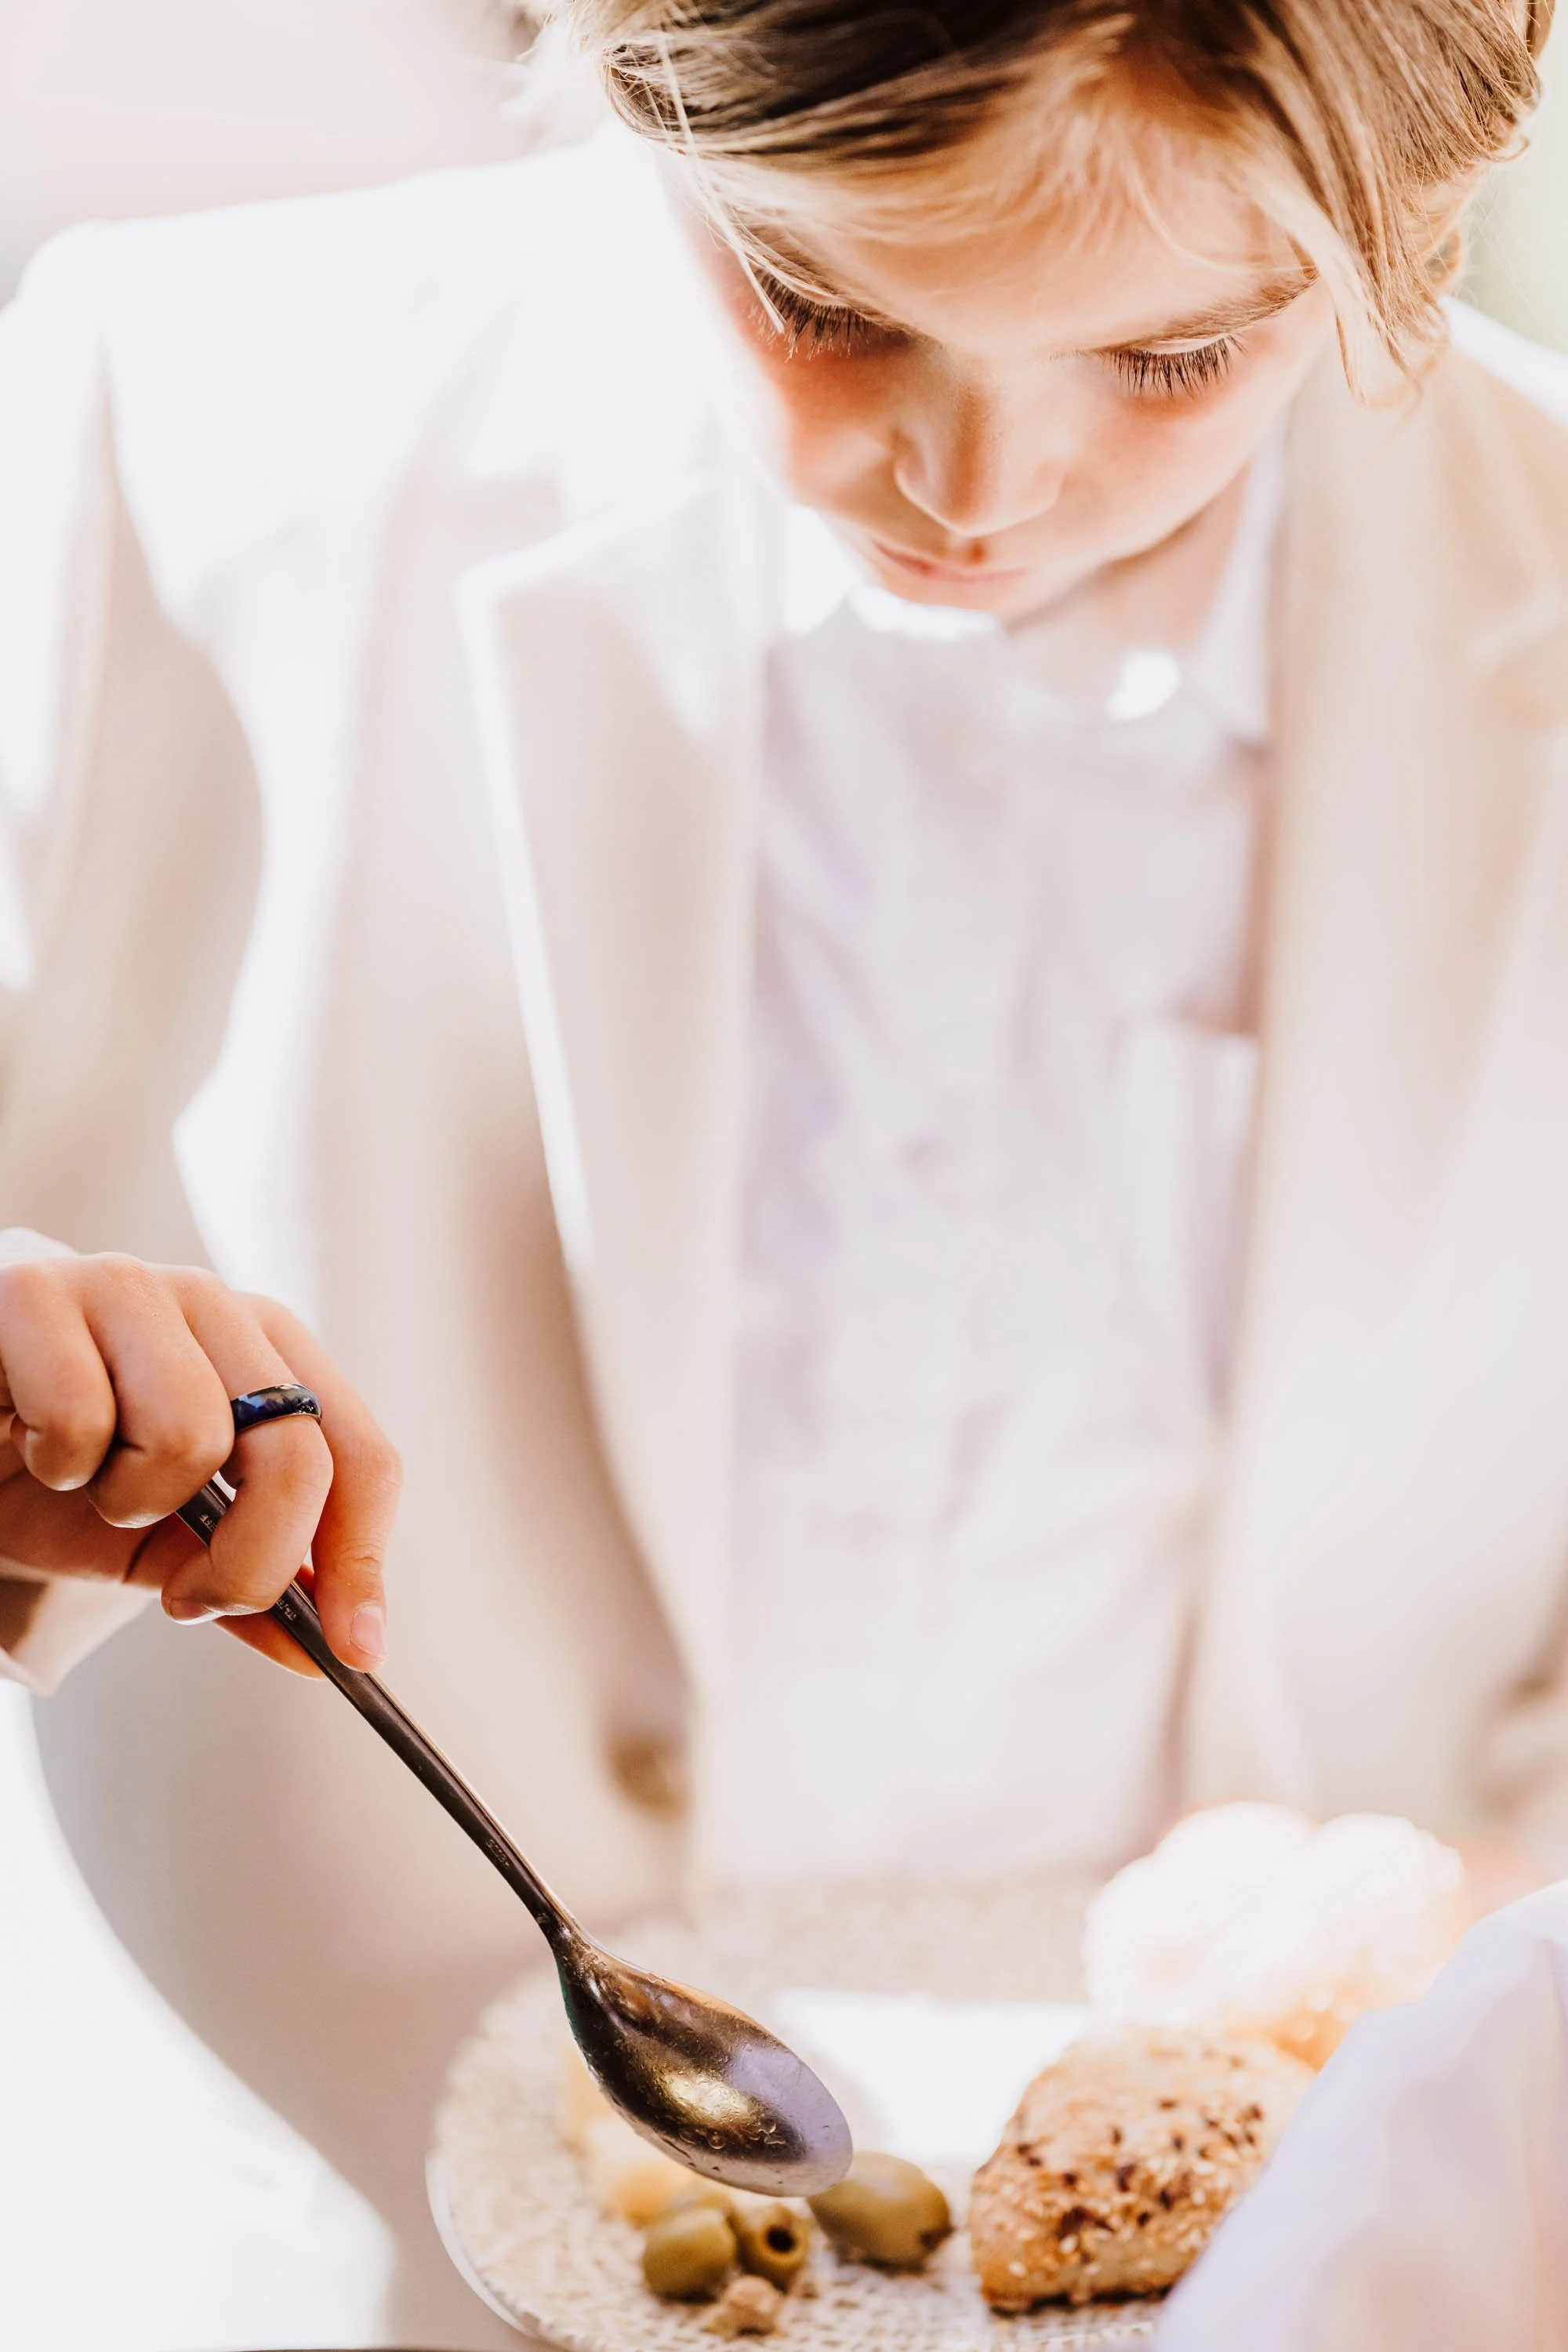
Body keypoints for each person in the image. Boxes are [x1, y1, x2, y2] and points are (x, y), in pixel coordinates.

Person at [0, 0, 1564, 2333]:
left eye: (1177, 357)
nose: (978, 482)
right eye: (831, 307)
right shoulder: (185, 409)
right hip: (344, 2253)